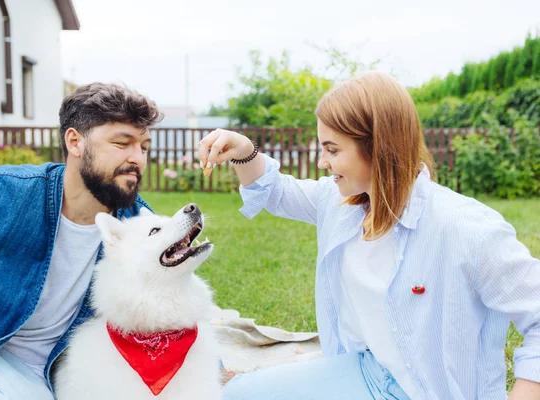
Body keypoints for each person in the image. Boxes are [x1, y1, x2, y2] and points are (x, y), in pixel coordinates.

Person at [197, 71, 540, 400]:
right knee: (236, 395)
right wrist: (243, 149)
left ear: (379, 147)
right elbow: (275, 191)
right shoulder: (341, 204)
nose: (322, 163)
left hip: (432, 390)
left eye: (332, 150)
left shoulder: (468, 229)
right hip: (367, 372)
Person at [0, 83, 162, 399]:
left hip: (27, 375)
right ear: (75, 142)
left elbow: (167, 304)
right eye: (121, 143)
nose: (137, 158)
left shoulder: (138, 229)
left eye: (143, 147)